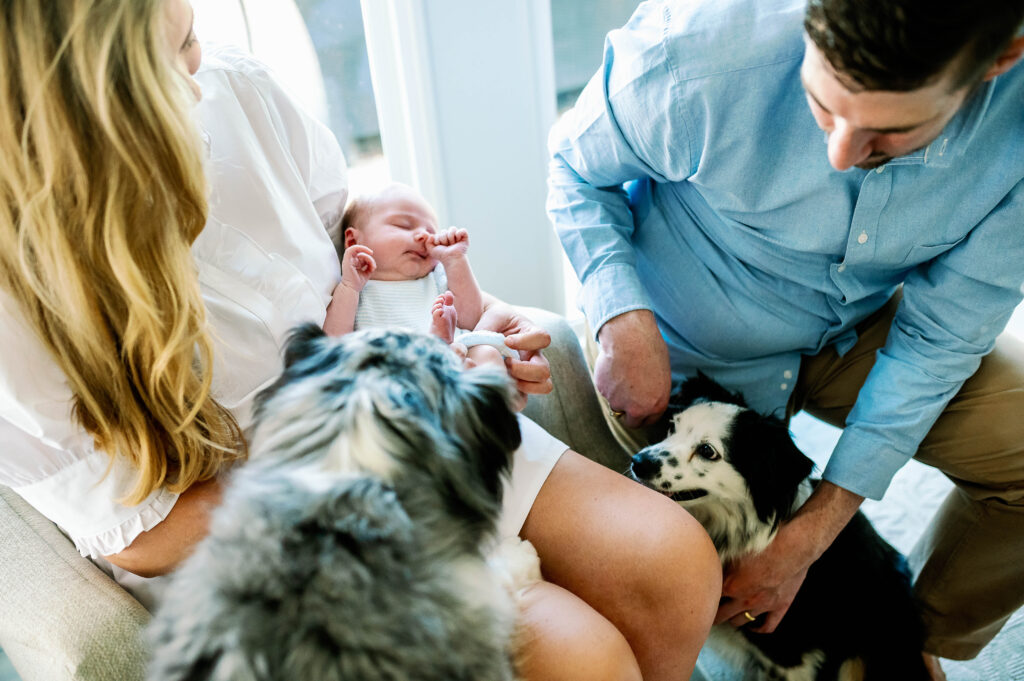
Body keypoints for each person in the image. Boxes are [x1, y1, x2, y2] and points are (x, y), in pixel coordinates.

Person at [0, 2, 721, 680]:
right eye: (174, 55)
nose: (199, 70)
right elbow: (140, 536)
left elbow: (349, 230)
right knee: (578, 658)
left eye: (190, 34)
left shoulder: (237, 90)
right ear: (86, 113)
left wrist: (471, 315)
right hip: (261, 517)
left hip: (401, 412)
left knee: (676, 565)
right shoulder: (17, 301)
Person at [547, 0, 1024, 674]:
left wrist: (811, 536)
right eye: (820, 105)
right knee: (670, 570)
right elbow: (571, 169)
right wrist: (620, 310)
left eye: (890, 136)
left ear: (1000, 62)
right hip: (680, 339)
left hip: (853, 323)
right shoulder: (696, 49)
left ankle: (906, 637)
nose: (840, 156)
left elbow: (938, 340)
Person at [323, 182, 508, 369]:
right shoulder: (354, 286)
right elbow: (333, 342)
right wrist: (349, 286)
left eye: (431, 232)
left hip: (456, 363)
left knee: (487, 354)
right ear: (354, 240)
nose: (423, 236)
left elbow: (471, 320)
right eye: (404, 225)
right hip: (391, 373)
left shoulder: (436, 277)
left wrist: (456, 260)